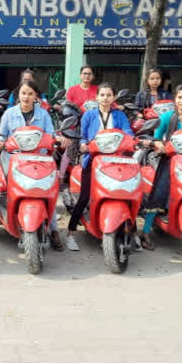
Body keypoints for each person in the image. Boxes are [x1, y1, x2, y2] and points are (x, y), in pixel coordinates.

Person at [0, 79, 64, 250]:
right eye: (23, 93)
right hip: (15, 158)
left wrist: (57, 140)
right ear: (18, 95)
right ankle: (11, 215)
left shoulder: (44, 115)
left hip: (39, 159)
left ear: (36, 96)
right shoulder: (10, 114)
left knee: (48, 191)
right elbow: (0, 135)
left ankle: (54, 230)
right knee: (10, 187)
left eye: (30, 94)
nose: (26, 97)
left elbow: (51, 135)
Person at [139, 84, 182, 249]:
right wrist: (159, 145)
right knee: (159, 192)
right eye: (180, 97)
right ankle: (146, 231)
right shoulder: (167, 117)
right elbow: (156, 137)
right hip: (171, 160)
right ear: (175, 100)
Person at [65, 82, 133, 252]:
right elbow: (83, 135)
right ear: (96, 97)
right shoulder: (89, 115)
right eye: (102, 95)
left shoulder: (120, 116)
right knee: (84, 197)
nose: (105, 98)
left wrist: (132, 141)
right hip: (93, 159)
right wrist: (83, 144)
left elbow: (128, 132)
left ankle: (130, 233)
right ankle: (71, 234)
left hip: (117, 162)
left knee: (125, 195)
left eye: (109, 95)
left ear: (114, 97)